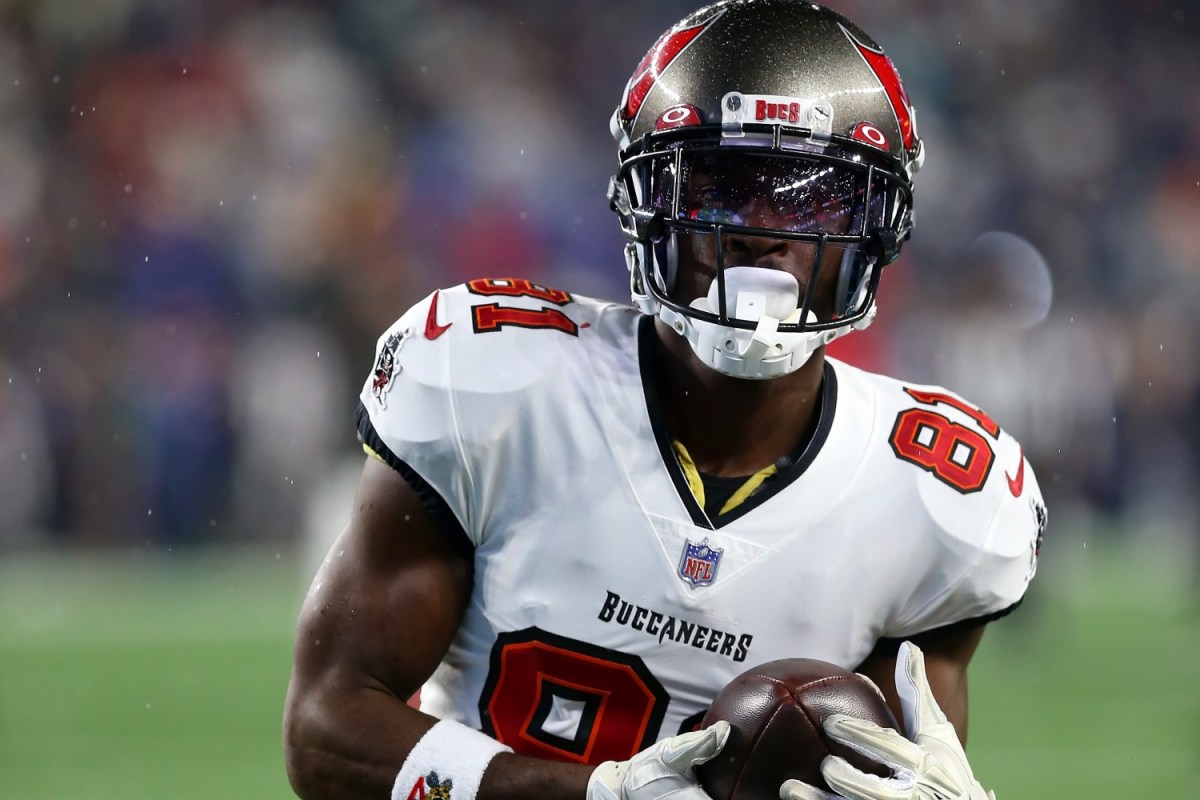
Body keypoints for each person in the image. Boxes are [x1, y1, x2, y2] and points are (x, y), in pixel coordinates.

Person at [283, 3, 1047, 800]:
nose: (761, 233)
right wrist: (593, 795)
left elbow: (892, 768)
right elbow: (326, 728)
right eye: (722, 188)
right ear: (646, 198)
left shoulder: (934, 495)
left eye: (810, 199)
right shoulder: (495, 383)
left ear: (877, 225)